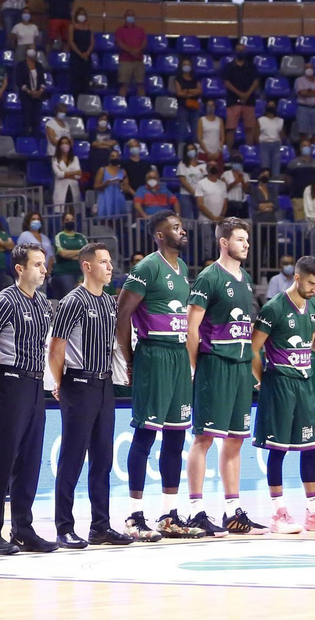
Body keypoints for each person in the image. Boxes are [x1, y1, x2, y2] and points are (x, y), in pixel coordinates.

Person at [116, 211, 205, 539]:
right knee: (145, 436)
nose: (183, 231)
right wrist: (130, 359)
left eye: (182, 226)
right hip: (153, 354)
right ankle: (134, 517)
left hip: (178, 355)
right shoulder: (147, 268)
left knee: (176, 436)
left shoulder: (182, 268)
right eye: (175, 228)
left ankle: (169, 515)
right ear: (159, 235)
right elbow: (122, 315)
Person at [0, 244, 55, 555]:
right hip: (10, 381)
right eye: (37, 264)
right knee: (3, 459)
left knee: (30, 461)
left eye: (44, 264)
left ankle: (22, 529)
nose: (43, 270)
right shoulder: (4, 301)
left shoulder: (43, 302)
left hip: (35, 385)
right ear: (20, 269)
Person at [184, 218, 265, 535]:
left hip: (241, 367)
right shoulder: (209, 277)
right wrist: (195, 367)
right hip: (215, 364)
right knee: (204, 438)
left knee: (235, 441)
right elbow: (191, 328)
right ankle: (195, 511)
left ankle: (233, 512)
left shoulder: (246, 279)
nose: (246, 244)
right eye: (240, 239)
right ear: (223, 242)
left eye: (247, 239)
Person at [47, 244, 130, 548]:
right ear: (87, 266)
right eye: (103, 262)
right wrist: (61, 383)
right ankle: (64, 527)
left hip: (104, 384)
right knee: (72, 458)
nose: (110, 267)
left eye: (110, 261)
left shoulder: (109, 302)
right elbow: (56, 348)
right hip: (78, 383)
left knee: (102, 459)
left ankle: (101, 526)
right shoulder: (73, 301)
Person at [251, 254, 315, 535]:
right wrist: (263, 380)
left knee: (311, 447)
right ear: (296, 277)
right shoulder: (274, 308)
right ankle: (278, 513)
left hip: (304, 383)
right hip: (279, 383)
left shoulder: (314, 307)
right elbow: (253, 348)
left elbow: (308, 341)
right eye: (311, 283)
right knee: (278, 450)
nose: (314, 289)